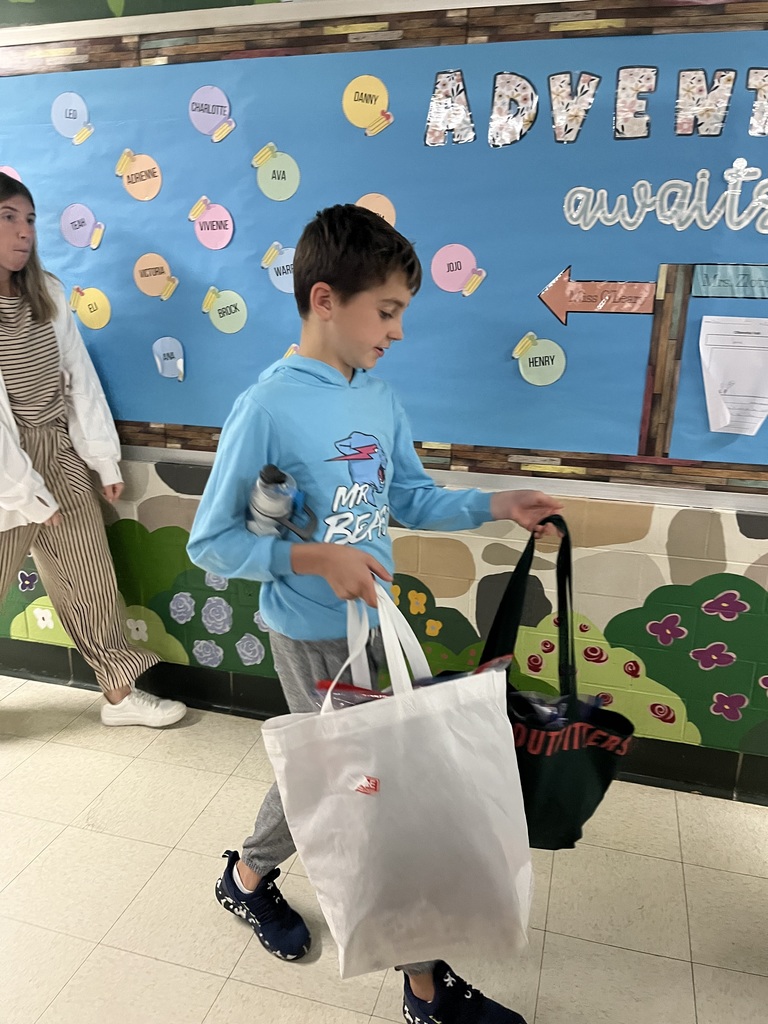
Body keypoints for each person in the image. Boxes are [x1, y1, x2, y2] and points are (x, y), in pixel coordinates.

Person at [188, 204, 561, 1023]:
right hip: (311, 631)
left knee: (336, 770)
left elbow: (411, 497)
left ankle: (245, 877)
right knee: (374, 793)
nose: (396, 331)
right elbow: (211, 543)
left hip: (379, 627)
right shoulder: (269, 407)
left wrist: (498, 503)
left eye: (402, 314)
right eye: (386, 311)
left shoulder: (380, 397)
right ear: (325, 299)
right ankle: (425, 991)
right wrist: (316, 557)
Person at [0, 172, 186, 728]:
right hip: (5, 465)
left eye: (29, 219)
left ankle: (121, 694)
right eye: (8, 217)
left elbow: (78, 380)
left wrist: (101, 459)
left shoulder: (48, 291)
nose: (23, 232)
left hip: (56, 449)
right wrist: (25, 493)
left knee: (90, 574)